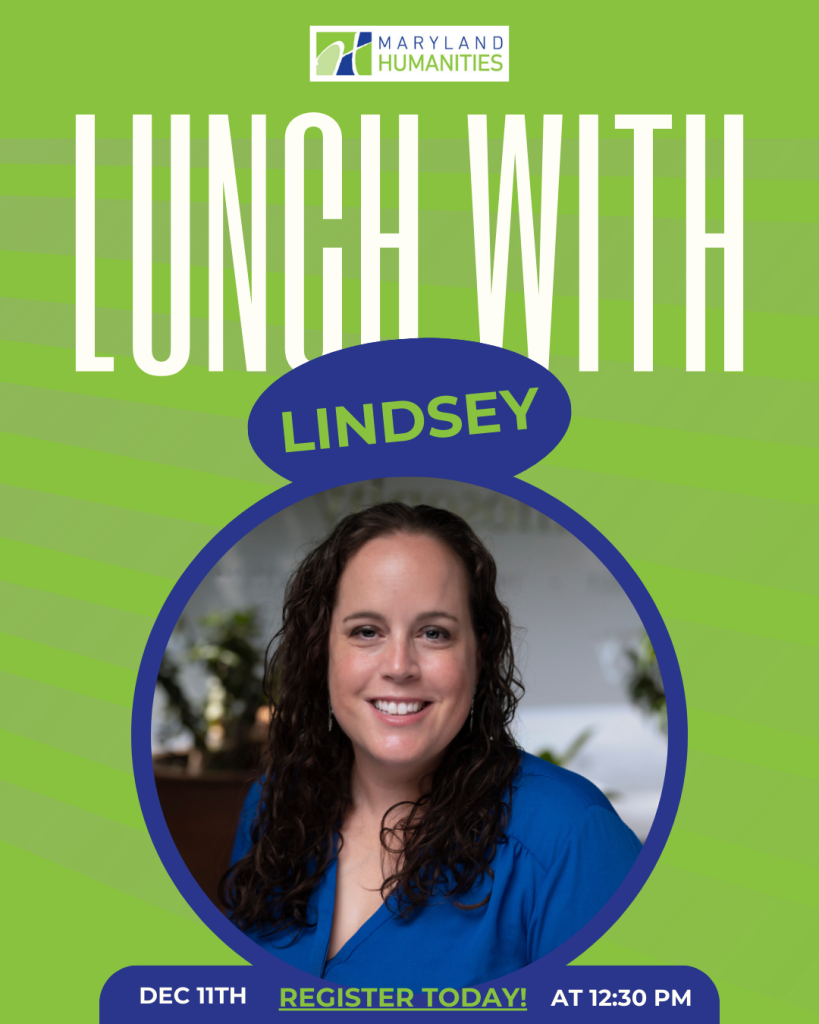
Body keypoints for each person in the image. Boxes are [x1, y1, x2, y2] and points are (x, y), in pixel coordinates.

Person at [222, 502, 641, 987]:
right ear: (322, 651)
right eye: (366, 631)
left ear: (478, 653)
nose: (399, 665)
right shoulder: (274, 806)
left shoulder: (570, 835)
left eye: (434, 633)